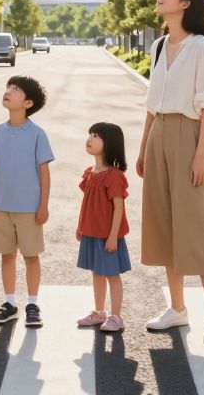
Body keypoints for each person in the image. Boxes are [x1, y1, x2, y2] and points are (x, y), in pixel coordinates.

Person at [136, 0, 204, 344]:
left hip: (189, 136)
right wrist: (143, 148)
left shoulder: (201, 46)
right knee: (165, 224)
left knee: (196, 225)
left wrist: (201, 153)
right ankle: (177, 308)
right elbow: (152, 103)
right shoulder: (159, 46)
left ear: (186, 3)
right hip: (158, 136)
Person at [0, 76, 53, 328]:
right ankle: (10, 303)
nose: (8, 92)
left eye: (15, 90)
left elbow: (44, 172)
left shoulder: (37, 134)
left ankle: (33, 303)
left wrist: (43, 205)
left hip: (29, 208)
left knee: (31, 255)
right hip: (2, 206)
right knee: (7, 255)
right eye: (8, 88)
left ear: (28, 103)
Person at [75, 122, 131, 333]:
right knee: (96, 273)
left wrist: (113, 236)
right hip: (91, 232)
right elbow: (87, 203)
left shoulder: (114, 176)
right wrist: (81, 225)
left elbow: (119, 208)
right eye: (90, 134)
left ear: (109, 143)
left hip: (108, 235)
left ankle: (116, 316)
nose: (89, 138)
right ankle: (100, 312)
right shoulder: (91, 172)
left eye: (96, 135)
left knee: (112, 274)